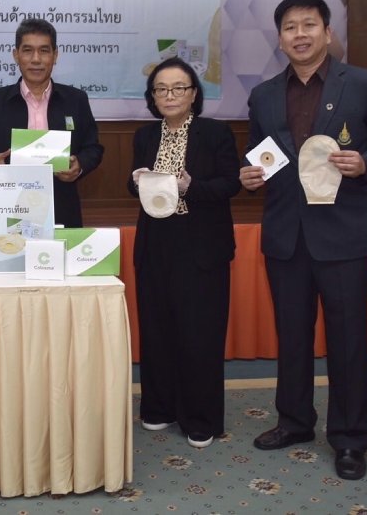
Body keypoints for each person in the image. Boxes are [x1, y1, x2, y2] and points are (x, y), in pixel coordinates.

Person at [239, 0, 367, 480]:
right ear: (279, 38)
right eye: (290, 27)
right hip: (286, 235)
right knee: (292, 335)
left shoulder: (362, 84)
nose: (300, 34)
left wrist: (365, 162)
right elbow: (260, 155)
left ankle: (350, 438)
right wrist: (250, 175)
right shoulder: (264, 95)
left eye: (309, 24)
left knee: (348, 339)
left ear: (328, 32)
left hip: (344, 236)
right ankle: (294, 422)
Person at [127, 57, 240, 448]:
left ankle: (200, 417)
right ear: (152, 96)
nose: (169, 95)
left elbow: (230, 184)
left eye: (178, 88)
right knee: (157, 328)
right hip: (156, 242)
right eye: (161, 89)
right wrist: (135, 181)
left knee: (199, 333)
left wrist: (192, 186)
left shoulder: (215, 133)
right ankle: (159, 407)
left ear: (193, 94)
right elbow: (135, 187)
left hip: (201, 245)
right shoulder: (144, 136)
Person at [0, 18, 104, 228]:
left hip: (61, 206)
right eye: (28, 50)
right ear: (16, 55)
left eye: (44, 51)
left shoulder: (76, 100)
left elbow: (93, 148)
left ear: (55, 55)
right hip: (5, 205)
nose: (36, 59)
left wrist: (79, 165)